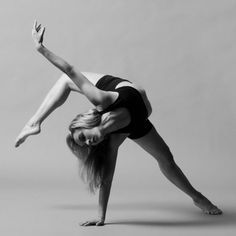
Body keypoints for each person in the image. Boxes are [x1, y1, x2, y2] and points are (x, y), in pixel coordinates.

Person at [15, 21, 222, 226]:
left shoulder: (102, 99)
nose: (89, 143)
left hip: (118, 88)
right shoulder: (114, 141)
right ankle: (198, 197)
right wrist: (101, 217)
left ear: (87, 124)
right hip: (137, 119)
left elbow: (70, 69)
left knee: (66, 80)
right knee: (167, 160)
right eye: (86, 145)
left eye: (83, 138)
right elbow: (106, 179)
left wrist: (40, 48)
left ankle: (34, 123)